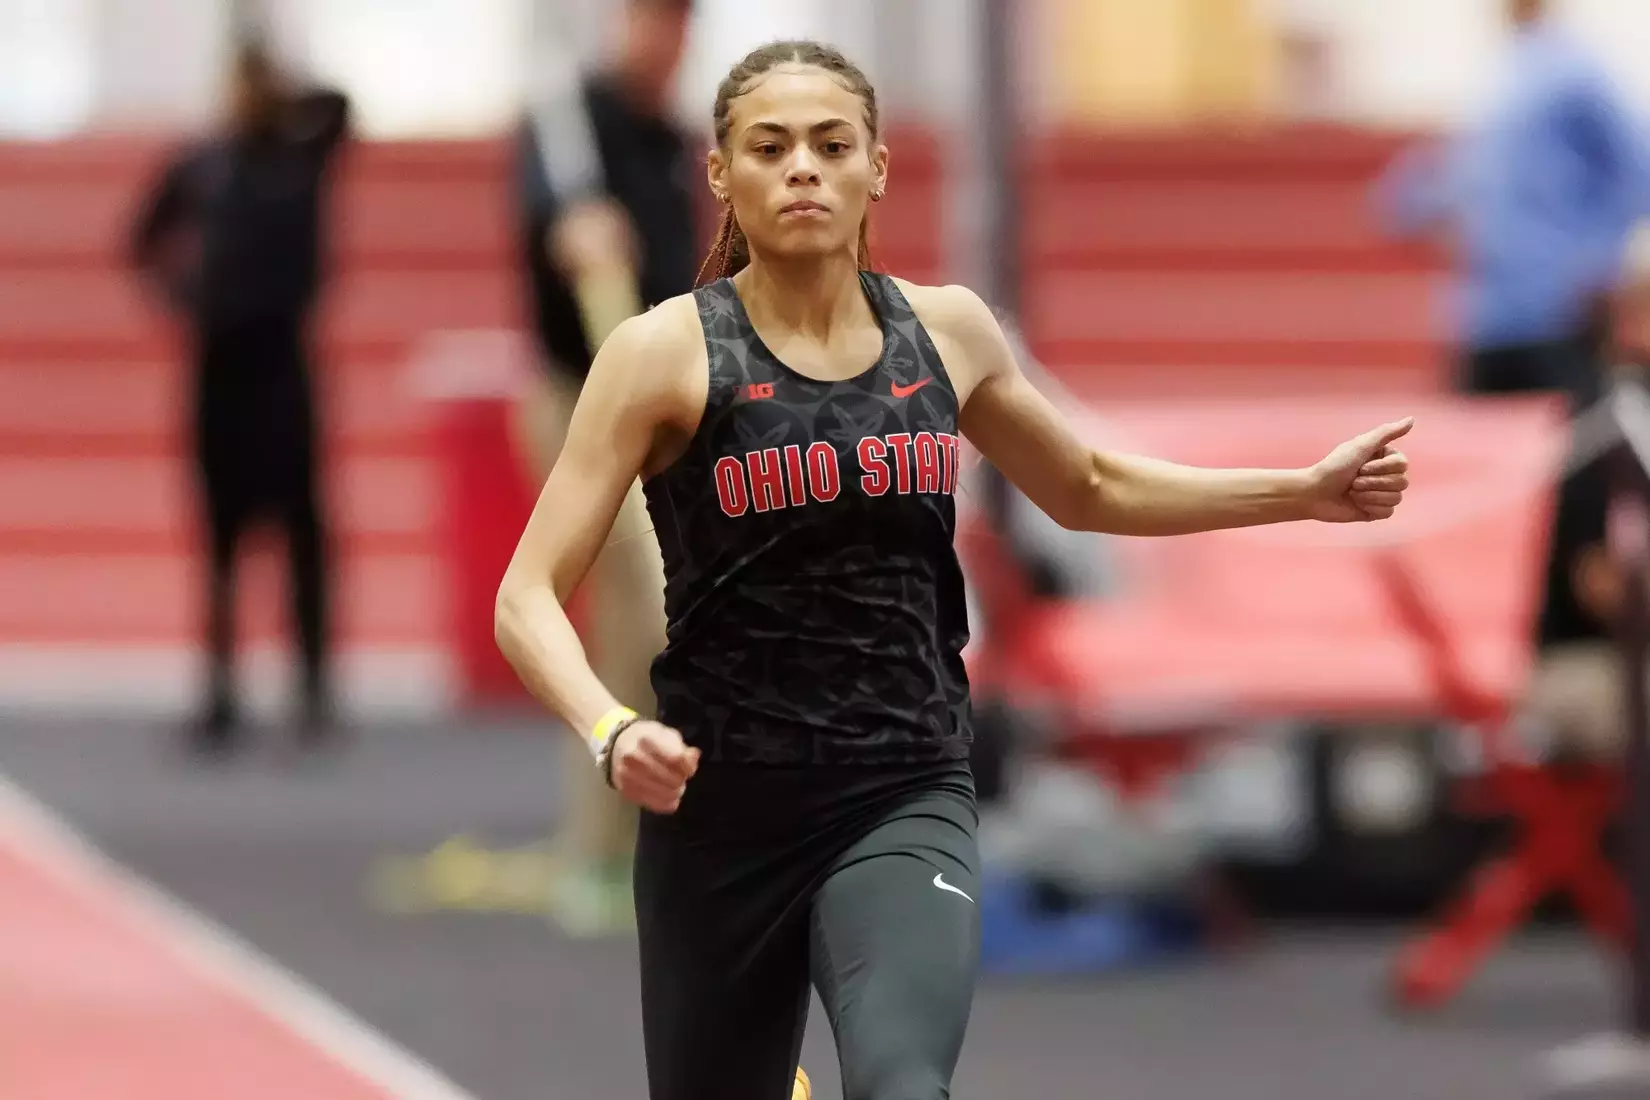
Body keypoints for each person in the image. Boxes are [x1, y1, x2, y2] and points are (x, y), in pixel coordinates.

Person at [495, 39, 1412, 1100]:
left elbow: (1092, 486)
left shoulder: (947, 331)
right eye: (771, 145)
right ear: (721, 175)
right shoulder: (663, 356)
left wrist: (1302, 489)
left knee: (903, 1083)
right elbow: (526, 595)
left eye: (832, 145)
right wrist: (611, 731)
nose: (803, 168)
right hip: (722, 806)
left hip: (901, 786)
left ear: (878, 165)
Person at [1376, 0, 1649, 672]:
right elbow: (1454, 186)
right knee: (1486, 491)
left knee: (1571, 485)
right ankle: (1491, 640)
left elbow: (1637, 170)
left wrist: (1595, 263)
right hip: (1486, 317)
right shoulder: (1497, 79)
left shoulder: (1577, 71)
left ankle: (1565, 636)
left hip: (1551, 314)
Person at [511, 0, 698, 934]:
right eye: (650, 19)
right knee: (639, 607)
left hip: (666, 409)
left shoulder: (675, 140)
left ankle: (645, 841)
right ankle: (599, 850)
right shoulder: (565, 125)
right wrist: (575, 234)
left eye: (679, 23)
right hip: (579, 404)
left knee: (671, 613)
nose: (664, 40)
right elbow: (554, 222)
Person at [129, 42, 349, 757]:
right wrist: (186, 296)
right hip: (222, 365)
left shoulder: (300, 153)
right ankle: (221, 691)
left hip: (284, 364)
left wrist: (281, 86)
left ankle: (312, 689)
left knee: (303, 532)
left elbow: (342, 106)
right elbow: (142, 238)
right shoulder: (205, 163)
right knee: (221, 536)